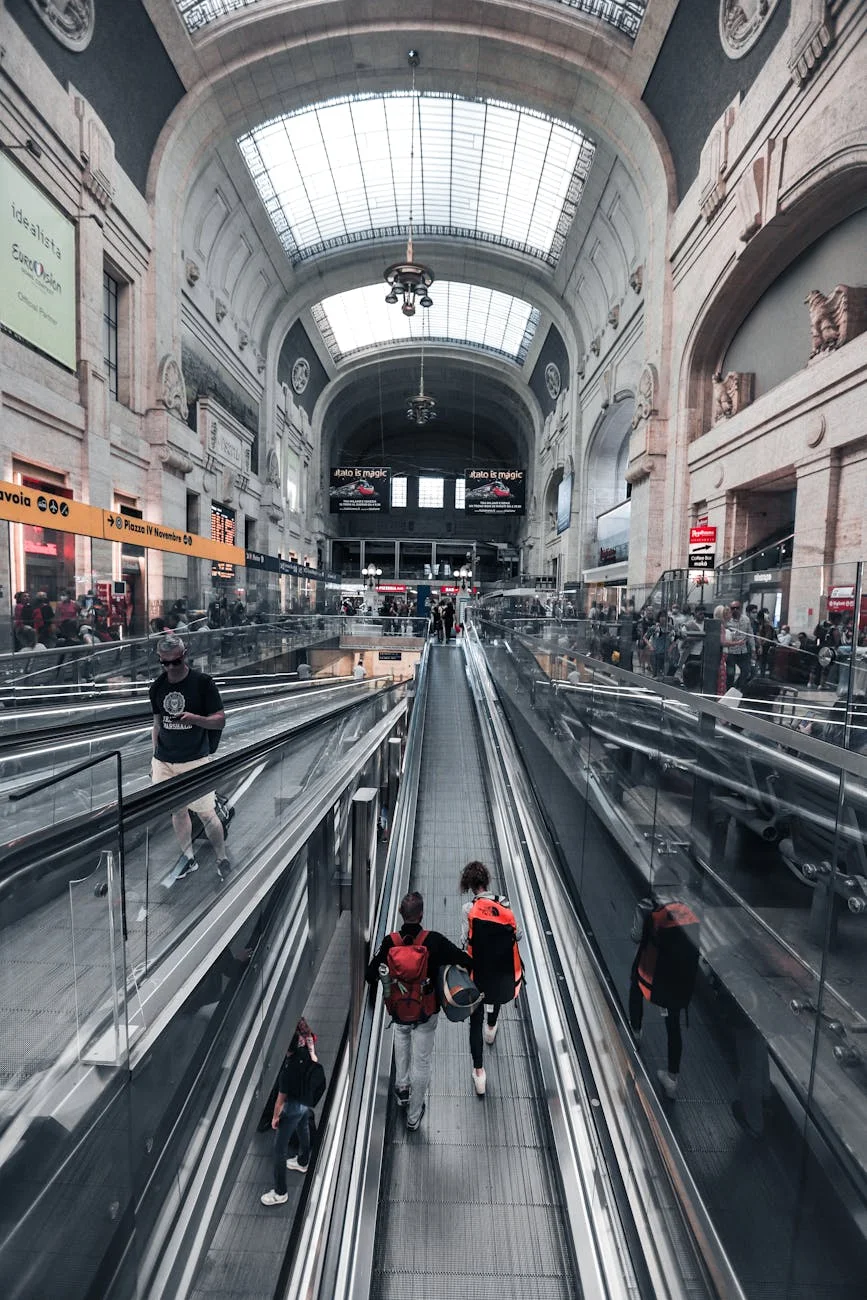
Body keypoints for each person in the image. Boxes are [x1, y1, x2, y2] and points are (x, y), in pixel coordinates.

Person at [366, 890, 467, 1131]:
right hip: (426, 1012)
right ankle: (413, 1116)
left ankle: (402, 1089)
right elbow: (462, 958)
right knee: (421, 1062)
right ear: (421, 915)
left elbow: (370, 974)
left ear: (401, 914)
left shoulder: (390, 942)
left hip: (399, 1011)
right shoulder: (434, 941)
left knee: (401, 1040)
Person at [149, 633, 230, 880]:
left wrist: (196, 719)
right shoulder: (157, 687)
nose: (171, 667)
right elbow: (157, 724)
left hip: (195, 760)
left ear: (185, 656)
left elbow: (220, 721)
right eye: (165, 663)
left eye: (175, 661)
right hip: (165, 761)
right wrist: (154, 758)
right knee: (177, 811)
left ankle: (221, 857)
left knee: (206, 813)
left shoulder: (203, 683)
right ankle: (188, 857)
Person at [459, 861, 523, 1096]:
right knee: (495, 993)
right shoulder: (504, 903)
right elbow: (518, 934)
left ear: (469, 885)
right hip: (502, 973)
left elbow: (465, 941)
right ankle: (492, 1026)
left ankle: (479, 1074)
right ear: (487, 881)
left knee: (473, 1022)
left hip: (478, 975)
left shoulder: (469, 909)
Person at [628, 896, 700, 1100]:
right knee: (673, 1026)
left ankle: (635, 1032)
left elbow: (635, 936)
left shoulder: (647, 906)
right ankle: (672, 1077)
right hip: (676, 983)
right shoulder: (689, 912)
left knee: (635, 987)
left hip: (650, 976)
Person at [261, 1019, 320, 1205]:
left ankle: (280, 1193)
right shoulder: (303, 1052)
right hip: (305, 1101)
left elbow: (280, 1099)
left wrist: (275, 1117)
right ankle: (303, 1161)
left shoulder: (287, 1070)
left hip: (292, 1108)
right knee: (303, 1128)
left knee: (279, 1150)